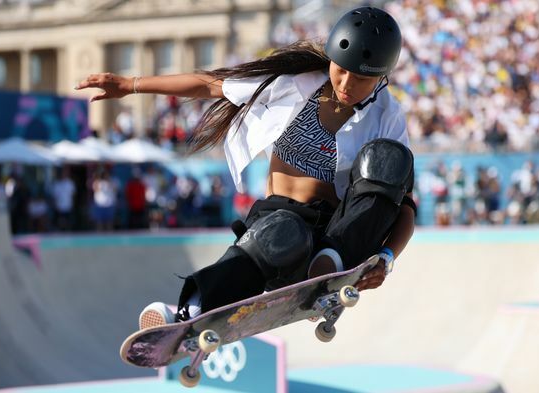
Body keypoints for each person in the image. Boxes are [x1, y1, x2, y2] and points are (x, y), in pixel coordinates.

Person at [77, 7, 416, 328]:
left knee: (389, 160)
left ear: (380, 78)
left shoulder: (387, 115)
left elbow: (402, 204)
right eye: (340, 69)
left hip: (340, 229)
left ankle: (329, 268)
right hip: (279, 220)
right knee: (280, 234)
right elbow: (210, 84)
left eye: (359, 79)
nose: (345, 85)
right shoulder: (291, 83)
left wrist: (385, 258)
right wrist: (131, 85)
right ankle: (192, 310)